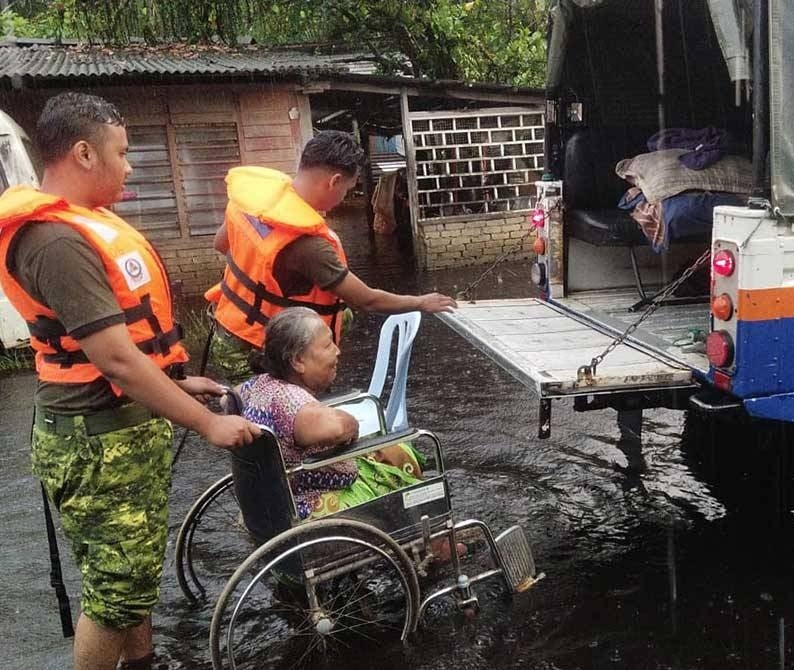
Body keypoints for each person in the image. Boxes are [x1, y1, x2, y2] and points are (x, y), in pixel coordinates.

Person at [0, 92, 260, 670]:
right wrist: (208, 425)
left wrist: (177, 384)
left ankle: (144, 663)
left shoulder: (85, 225)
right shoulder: (56, 241)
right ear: (84, 153)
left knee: (133, 572)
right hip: (97, 442)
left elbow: (120, 355)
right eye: (122, 152)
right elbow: (115, 359)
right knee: (114, 594)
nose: (130, 166)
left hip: (118, 429)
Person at [205, 130, 456, 352]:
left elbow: (221, 244)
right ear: (334, 181)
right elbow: (367, 300)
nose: (343, 197)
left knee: (343, 315)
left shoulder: (254, 198)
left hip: (227, 326)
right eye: (346, 190)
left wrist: (264, 272)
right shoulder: (309, 246)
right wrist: (421, 302)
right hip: (256, 349)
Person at [235, 307, 426, 520]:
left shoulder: (258, 385)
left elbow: (228, 398)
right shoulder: (290, 403)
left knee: (392, 450)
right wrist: (352, 425)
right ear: (298, 361)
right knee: (403, 458)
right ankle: (427, 525)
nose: (337, 351)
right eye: (327, 345)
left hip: (274, 499)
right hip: (313, 501)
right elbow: (337, 428)